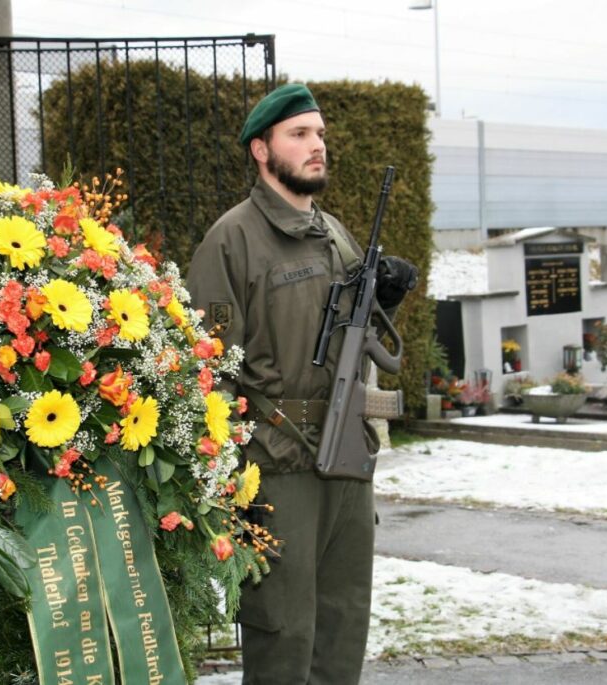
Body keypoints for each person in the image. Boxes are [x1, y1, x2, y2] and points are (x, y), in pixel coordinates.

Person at [187, 83, 415, 685]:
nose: (317, 146)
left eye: (319, 135)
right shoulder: (232, 240)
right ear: (261, 150)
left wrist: (383, 293)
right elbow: (203, 366)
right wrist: (227, 474)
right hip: (277, 469)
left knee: (343, 627)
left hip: (346, 457)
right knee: (284, 636)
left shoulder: (333, 231)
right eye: (300, 135)